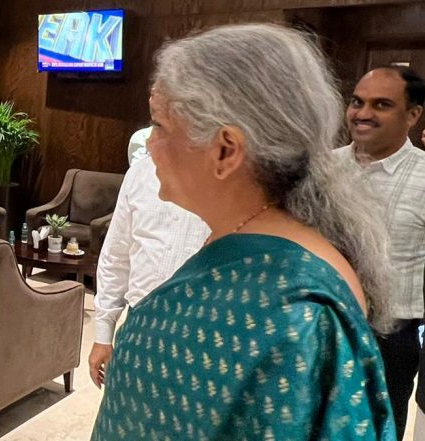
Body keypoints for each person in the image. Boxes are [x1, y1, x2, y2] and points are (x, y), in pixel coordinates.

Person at [91, 23, 397, 440]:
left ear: (225, 150)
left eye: (160, 127)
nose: (150, 146)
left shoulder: (297, 316)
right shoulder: (240, 242)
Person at [335, 66, 425, 440]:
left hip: (390, 342)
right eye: (357, 102)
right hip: (316, 328)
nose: (363, 113)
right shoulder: (320, 169)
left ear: (413, 114)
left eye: (381, 104)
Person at [88, 137, 210, 389]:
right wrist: (103, 334)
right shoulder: (140, 173)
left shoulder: (230, 183)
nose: (151, 137)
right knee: (123, 421)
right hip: (138, 324)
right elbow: (116, 255)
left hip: (200, 334)